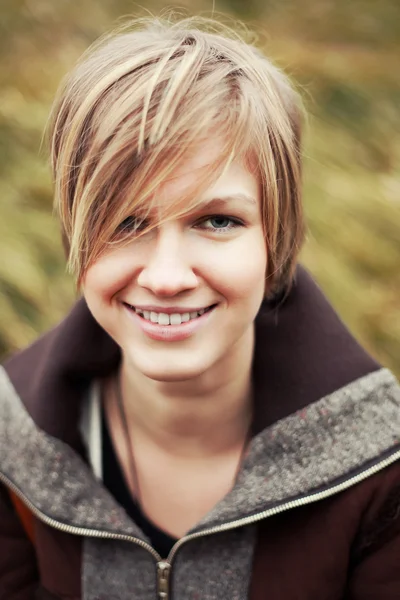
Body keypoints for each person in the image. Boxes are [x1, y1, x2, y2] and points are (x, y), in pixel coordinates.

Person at [0, 15, 399, 600]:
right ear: (76, 236)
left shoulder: (381, 467)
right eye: (125, 222)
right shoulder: (13, 442)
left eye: (218, 220)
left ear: (276, 238)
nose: (166, 277)